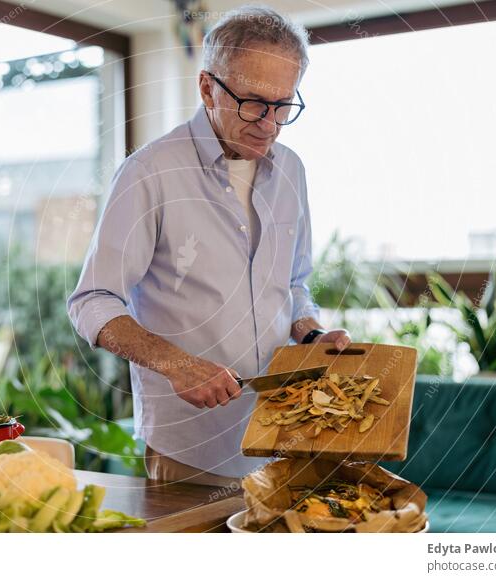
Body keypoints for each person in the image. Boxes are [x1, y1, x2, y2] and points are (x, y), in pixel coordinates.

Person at [67, 5, 351, 486]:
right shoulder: (149, 172)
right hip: (191, 448)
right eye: (255, 103)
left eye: (285, 106)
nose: (271, 124)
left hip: (284, 433)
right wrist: (177, 365)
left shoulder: (292, 170)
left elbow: (294, 284)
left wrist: (309, 333)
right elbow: (91, 301)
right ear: (207, 87)